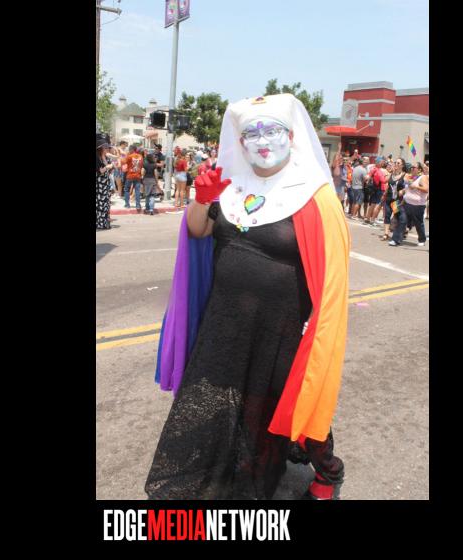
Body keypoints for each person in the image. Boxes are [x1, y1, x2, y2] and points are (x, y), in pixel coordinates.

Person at [145, 93, 349, 501]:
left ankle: (329, 471)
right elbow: (199, 231)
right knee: (218, 397)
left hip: (283, 329)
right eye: (251, 133)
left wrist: (316, 333)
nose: (262, 140)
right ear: (239, 141)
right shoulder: (231, 184)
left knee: (293, 400)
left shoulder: (315, 195)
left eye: (272, 130)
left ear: (292, 136)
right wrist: (202, 199)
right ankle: (225, 471)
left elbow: (332, 278)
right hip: (223, 321)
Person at [390, 162, 429, 247]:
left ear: (419, 170)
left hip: (418, 206)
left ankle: (422, 239)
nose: (411, 168)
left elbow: (426, 189)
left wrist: (415, 187)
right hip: (406, 203)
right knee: (402, 220)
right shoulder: (410, 177)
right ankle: (395, 240)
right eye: (411, 167)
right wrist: (403, 191)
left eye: (414, 167)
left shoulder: (423, 177)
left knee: (418, 223)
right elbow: (408, 188)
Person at [380, 157, 407, 241]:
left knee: (397, 217)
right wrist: (384, 195)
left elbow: (409, 186)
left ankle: (402, 231)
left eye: (398, 163)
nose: (396, 164)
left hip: (396, 200)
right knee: (387, 216)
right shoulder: (391, 174)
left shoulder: (404, 175)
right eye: (395, 162)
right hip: (389, 198)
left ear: (402, 165)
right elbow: (386, 182)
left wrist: (403, 190)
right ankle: (386, 234)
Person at [96, 133, 115, 230]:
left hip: (105, 183)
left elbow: (108, 170)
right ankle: (100, 223)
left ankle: (104, 222)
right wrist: (108, 167)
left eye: (107, 147)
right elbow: (100, 171)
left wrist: (111, 167)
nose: (107, 149)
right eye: (105, 147)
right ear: (100, 148)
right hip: (99, 184)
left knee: (106, 204)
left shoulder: (105, 157)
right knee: (100, 204)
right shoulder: (97, 158)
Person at [123, 145, 144, 212]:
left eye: (129, 149)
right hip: (138, 175)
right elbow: (141, 165)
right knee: (137, 190)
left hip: (130, 175)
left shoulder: (129, 156)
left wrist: (126, 155)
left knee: (127, 189)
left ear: (132, 150)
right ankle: (138, 205)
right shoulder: (140, 156)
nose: (129, 151)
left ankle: (127, 204)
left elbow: (124, 162)